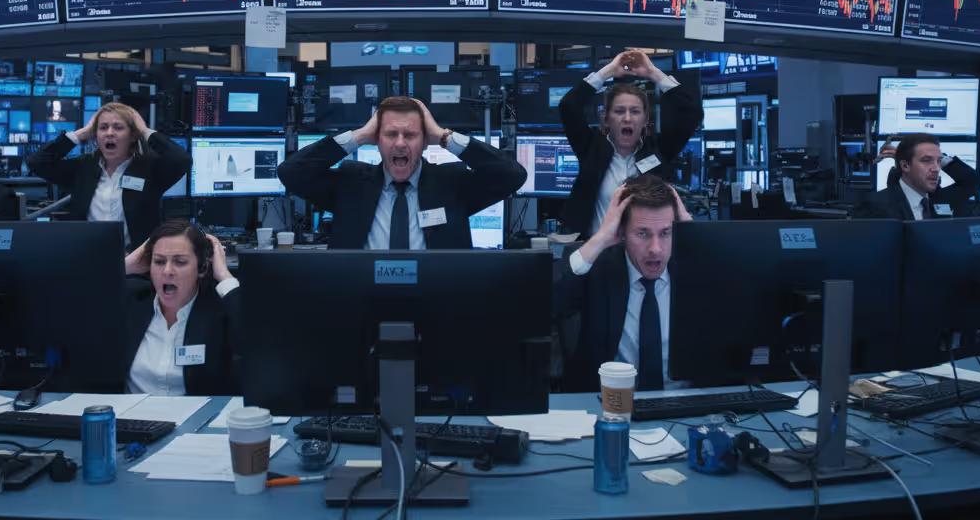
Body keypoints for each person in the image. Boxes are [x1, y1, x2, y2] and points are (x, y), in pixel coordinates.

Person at [278, 96, 526, 249]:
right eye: (389, 134)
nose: (399, 144)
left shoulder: (453, 184)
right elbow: (292, 172)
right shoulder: (350, 182)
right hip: (358, 300)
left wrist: (443, 136)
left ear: (425, 141)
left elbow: (512, 176)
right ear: (377, 140)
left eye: (410, 135)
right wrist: (360, 135)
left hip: (438, 301)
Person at [553, 174, 692, 392]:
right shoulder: (599, 268)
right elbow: (544, 308)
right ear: (622, 231)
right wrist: (600, 238)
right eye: (642, 233)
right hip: (608, 407)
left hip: (687, 407)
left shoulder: (692, 269)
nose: (656, 248)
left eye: (665, 233)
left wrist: (693, 234)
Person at [559, 49, 703, 238]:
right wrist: (608, 71)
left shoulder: (658, 150)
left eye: (635, 111)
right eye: (619, 111)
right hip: (597, 256)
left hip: (646, 257)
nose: (627, 118)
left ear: (645, 120)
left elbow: (691, 112)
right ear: (606, 119)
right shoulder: (591, 148)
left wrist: (653, 73)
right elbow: (569, 106)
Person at [27, 102, 191, 250]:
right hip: (87, 259)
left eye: (118, 127)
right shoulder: (83, 168)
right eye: (103, 128)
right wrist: (80, 134)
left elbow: (181, 160)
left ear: (133, 136)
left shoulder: (149, 169)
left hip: (136, 265)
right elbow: (37, 163)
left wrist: (144, 131)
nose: (109, 133)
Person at [123, 219, 239, 396]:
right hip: (131, 420)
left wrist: (224, 277)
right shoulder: (131, 300)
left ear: (201, 267)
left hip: (197, 421)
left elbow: (257, 343)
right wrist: (126, 265)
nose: (168, 271)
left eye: (180, 262)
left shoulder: (219, 310)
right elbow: (73, 297)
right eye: (159, 262)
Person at [857, 134, 980, 220]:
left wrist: (940, 157)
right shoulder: (876, 205)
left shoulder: (942, 199)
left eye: (939, 161)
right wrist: (905, 155)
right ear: (905, 166)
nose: (936, 168)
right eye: (926, 160)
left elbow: (974, 181)